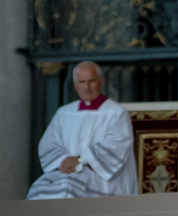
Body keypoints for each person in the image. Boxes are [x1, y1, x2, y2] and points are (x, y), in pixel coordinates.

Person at [27, 62, 138, 200]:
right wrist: (63, 160)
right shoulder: (64, 113)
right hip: (68, 173)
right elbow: (49, 143)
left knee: (68, 189)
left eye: (91, 81)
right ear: (75, 85)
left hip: (102, 178)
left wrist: (80, 160)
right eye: (81, 82)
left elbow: (116, 146)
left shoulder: (116, 113)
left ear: (101, 82)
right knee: (39, 188)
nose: (86, 87)